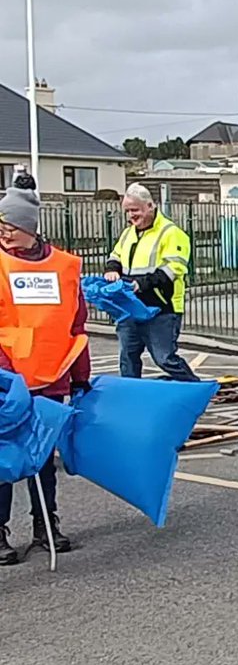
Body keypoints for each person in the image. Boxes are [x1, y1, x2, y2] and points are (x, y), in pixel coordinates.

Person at [0, 177, 90, 560]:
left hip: (50, 377)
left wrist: (81, 378)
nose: (4, 234)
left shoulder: (65, 266)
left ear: (29, 228)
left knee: (42, 458)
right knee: (3, 457)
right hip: (6, 381)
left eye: (10, 227)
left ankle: (45, 524)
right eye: (0, 227)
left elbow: (76, 324)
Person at [103, 183, 200, 383]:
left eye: (135, 210)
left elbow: (174, 269)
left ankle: (194, 389)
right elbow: (116, 255)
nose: (131, 215)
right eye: (128, 211)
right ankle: (131, 398)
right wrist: (112, 268)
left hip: (161, 307)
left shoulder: (171, 233)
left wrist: (141, 284)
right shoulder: (129, 232)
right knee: (128, 358)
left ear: (150, 206)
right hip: (130, 306)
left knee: (165, 358)